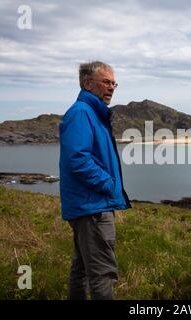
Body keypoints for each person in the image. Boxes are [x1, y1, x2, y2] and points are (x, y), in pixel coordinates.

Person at [59, 61, 131, 300]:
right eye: (106, 82)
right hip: (93, 207)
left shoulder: (93, 113)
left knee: (82, 267)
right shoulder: (81, 113)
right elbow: (78, 159)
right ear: (88, 84)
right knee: (102, 273)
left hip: (89, 205)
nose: (111, 88)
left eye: (114, 83)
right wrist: (108, 184)